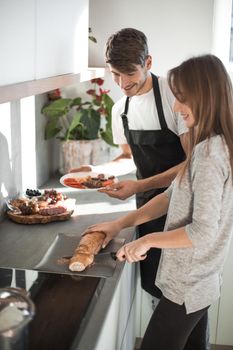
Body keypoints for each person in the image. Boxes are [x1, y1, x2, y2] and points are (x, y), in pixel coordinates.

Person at [84, 54, 233, 350]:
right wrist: (119, 224)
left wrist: (147, 241)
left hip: (187, 284)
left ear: (204, 96)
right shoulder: (213, 145)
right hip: (199, 281)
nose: (176, 107)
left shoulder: (208, 154)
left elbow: (203, 231)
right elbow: (170, 197)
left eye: (182, 98)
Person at [72, 28, 187, 298]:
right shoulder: (119, 109)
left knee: (184, 295)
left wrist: (138, 186)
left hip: (183, 208)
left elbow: (191, 165)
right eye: (115, 75)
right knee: (156, 290)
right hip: (147, 209)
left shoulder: (174, 96)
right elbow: (127, 157)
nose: (122, 84)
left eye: (130, 74)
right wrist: (98, 172)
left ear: (148, 63)